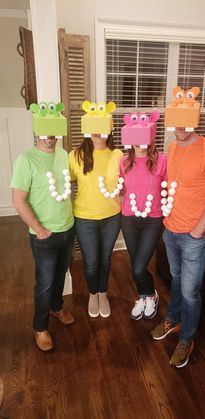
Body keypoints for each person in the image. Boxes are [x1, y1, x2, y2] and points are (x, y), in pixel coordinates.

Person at [151, 86, 205, 368]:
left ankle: (187, 336)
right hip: (170, 230)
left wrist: (197, 230)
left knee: (189, 290)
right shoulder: (171, 148)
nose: (181, 126)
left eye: (187, 118)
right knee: (176, 279)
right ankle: (173, 319)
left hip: (195, 236)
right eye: (176, 118)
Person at [10, 101, 75, 352]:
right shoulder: (26, 160)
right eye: (45, 129)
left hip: (68, 228)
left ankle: (56, 307)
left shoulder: (63, 155)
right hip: (44, 235)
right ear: (38, 129)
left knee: (60, 274)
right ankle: (40, 327)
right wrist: (39, 229)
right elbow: (18, 201)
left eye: (54, 129)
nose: (50, 135)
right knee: (45, 281)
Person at [69, 100, 123, 318]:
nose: (99, 134)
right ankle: (93, 293)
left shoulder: (118, 155)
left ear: (109, 129)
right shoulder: (75, 156)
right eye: (95, 128)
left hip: (112, 217)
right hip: (85, 218)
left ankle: (103, 293)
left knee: (105, 259)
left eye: (103, 129)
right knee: (91, 263)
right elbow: (66, 182)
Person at [120, 111, 166, 320]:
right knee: (135, 261)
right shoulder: (123, 162)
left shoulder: (162, 161)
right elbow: (121, 189)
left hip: (153, 219)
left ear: (151, 135)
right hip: (128, 219)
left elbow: (170, 188)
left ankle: (152, 295)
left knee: (139, 266)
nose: (139, 143)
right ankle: (143, 296)